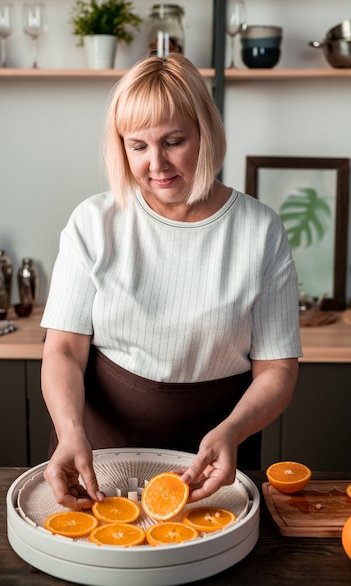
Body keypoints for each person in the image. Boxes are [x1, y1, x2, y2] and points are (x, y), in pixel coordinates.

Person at [40, 53, 302, 510]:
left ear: (205, 132)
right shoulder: (93, 222)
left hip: (213, 462)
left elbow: (277, 369)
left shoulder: (261, 230)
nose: (156, 164)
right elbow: (63, 349)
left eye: (173, 141)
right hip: (97, 453)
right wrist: (69, 432)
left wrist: (233, 431)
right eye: (137, 146)